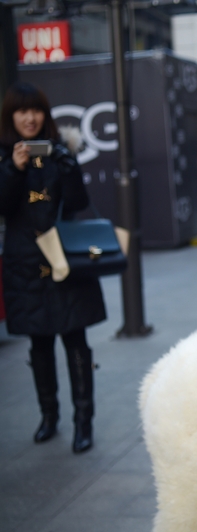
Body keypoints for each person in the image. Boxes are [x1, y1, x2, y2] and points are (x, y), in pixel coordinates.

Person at [0, 81, 105, 454]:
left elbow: (77, 203)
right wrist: (13, 169)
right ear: (11, 116)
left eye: (37, 110)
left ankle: (83, 422)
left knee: (76, 340)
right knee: (39, 342)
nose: (30, 118)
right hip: (25, 264)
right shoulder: (4, 156)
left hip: (64, 260)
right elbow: (5, 207)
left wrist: (69, 166)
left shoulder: (61, 152)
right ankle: (49, 416)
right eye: (22, 111)